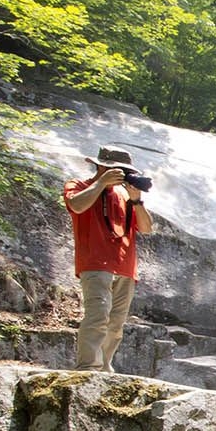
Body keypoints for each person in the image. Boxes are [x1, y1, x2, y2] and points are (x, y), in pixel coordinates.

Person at [63, 145, 155, 372]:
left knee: (116, 323)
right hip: (94, 262)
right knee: (98, 314)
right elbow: (76, 205)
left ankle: (104, 366)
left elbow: (145, 228)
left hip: (125, 266)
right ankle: (88, 367)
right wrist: (101, 183)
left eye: (125, 170)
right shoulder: (79, 185)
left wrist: (137, 201)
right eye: (118, 169)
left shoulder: (125, 195)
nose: (122, 174)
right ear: (101, 166)